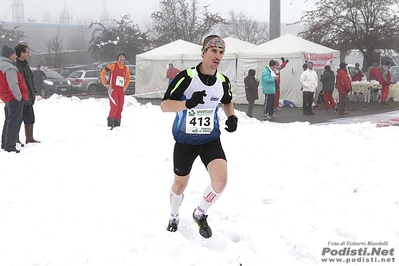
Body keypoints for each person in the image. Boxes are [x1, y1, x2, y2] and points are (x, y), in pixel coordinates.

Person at [160, 35, 237, 239]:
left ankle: (200, 213)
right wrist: (187, 103)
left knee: (221, 181)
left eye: (221, 53)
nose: (217, 56)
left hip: (210, 140)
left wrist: (232, 117)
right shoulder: (187, 77)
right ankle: (174, 216)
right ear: (203, 52)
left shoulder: (222, 81)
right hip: (185, 141)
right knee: (180, 185)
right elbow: (164, 105)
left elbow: (228, 102)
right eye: (214, 51)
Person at [0, 44, 28, 153]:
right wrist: (19, 97)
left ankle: (5, 143)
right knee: (14, 122)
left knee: (8, 121)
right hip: (13, 98)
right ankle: (10, 146)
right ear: (9, 55)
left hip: (6, 97)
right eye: (13, 54)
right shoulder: (9, 67)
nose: (15, 56)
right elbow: (13, 84)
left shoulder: (2, 65)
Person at [15, 44, 40, 144]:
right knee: (17, 119)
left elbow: (31, 78)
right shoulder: (15, 65)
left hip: (28, 97)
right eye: (27, 52)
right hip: (19, 97)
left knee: (30, 118)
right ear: (22, 53)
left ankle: (29, 138)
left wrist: (33, 90)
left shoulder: (26, 65)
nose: (28, 54)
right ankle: (15, 139)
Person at [100, 52, 131, 129]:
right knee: (115, 106)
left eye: (123, 57)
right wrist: (105, 84)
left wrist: (125, 86)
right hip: (113, 90)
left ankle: (117, 124)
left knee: (120, 107)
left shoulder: (126, 68)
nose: (122, 59)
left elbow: (128, 78)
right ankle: (110, 123)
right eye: (120, 57)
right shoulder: (113, 65)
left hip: (121, 90)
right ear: (118, 58)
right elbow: (103, 73)